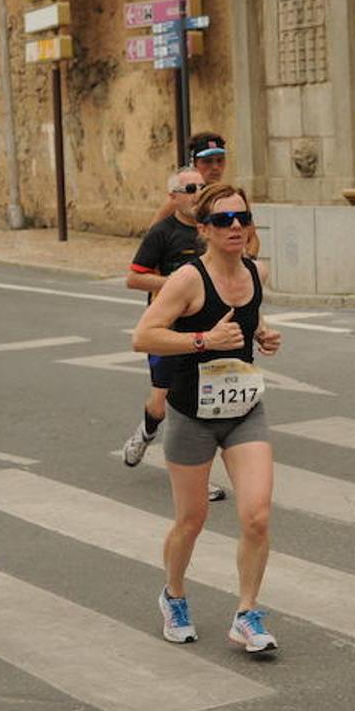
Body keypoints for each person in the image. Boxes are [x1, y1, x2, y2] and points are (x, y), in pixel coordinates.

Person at [132, 183, 282, 652]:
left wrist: (262, 333)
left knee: (256, 515)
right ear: (205, 230)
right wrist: (202, 341)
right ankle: (173, 594)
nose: (236, 226)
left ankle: (247, 613)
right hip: (192, 413)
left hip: (243, 410)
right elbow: (144, 336)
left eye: (242, 217)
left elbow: (247, 317)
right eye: (223, 220)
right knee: (191, 520)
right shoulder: (187, 280)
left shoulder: (255, 272)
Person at [122, 168, 206, 466]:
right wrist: (177, 284)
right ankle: (146, 432)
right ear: (174, 197)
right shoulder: (163, 232)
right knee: (160, 404)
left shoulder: (210, 229)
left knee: (199, 402)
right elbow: (133, 278)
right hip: (167, 330)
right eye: (191, 188)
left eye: (203, 187)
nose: (199, 193)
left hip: (205, 331)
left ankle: (195, 471)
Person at [148, 132, 227, 228]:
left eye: (220, 160)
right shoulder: (181, 198)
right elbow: (153, 233)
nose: (215, 167)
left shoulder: (227, 194)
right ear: (194, 163)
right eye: (207, 161)